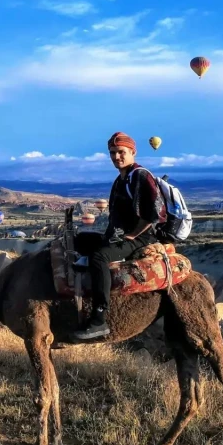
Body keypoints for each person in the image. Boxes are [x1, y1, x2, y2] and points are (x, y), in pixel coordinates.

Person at [72, 132, 166, 341]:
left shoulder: (140, 176)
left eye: (121, 152)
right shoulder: (120, 179)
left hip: (142, 238)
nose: (116, 157)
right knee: (79, 239)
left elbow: (156, 213)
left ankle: (99, 318)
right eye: (112, 153)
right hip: (120, 235)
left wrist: (132, 235)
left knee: (99, 257)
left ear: (133, 152)